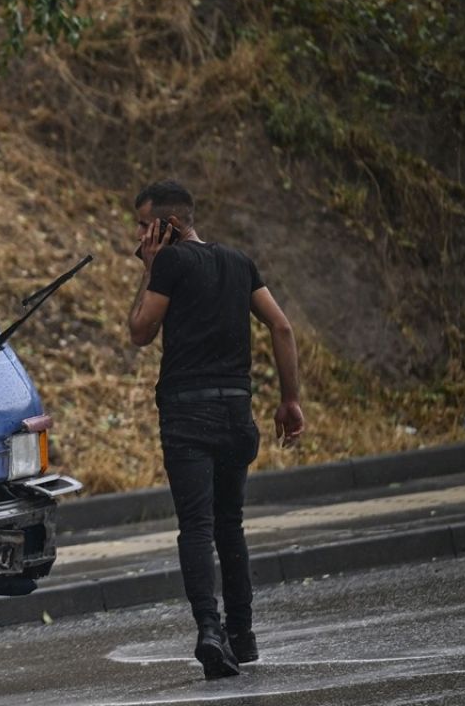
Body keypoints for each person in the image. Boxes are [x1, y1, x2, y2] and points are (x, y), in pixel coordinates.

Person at [126, 180, 305, 680]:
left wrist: (149, 269)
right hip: (236, 415)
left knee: (197, 527)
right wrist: (289, 401)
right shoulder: (239, 262)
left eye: (144, 225)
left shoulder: (171, 263)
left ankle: (209, 630)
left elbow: (140, 332)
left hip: (188, 417)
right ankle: (242, 637)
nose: (137, 235)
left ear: (169, 226)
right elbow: (282, 327)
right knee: (230, 525)